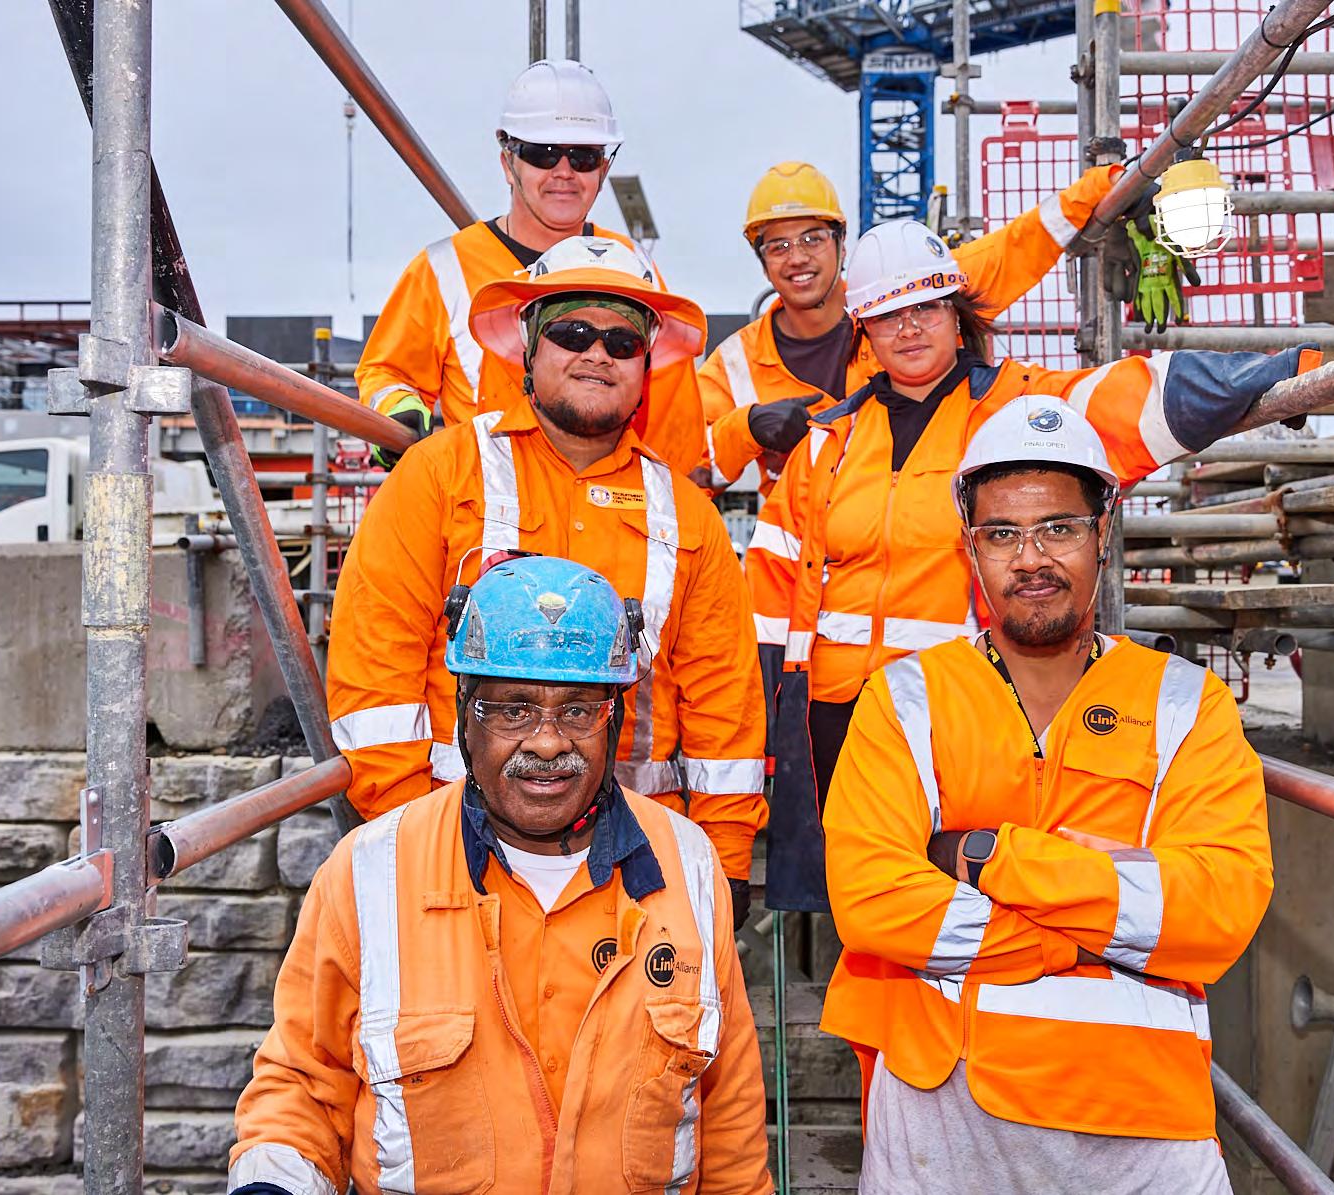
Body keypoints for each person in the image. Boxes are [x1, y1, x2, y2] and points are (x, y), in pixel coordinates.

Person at [746, 217, 1316, 912]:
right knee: (869, 895)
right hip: (837, 717)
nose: (910, 327)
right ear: (863, 327)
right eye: (889, 314)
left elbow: (1133, 397)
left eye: (927, 306)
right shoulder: (826, 443)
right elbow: (769, 596)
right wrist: (765, 737)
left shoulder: (1017, 410)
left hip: (962, 709)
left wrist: (1276, 378)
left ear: (956, 313)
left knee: (973, 890)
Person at [820, 398, 1272, 1193]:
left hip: (1137, 1119)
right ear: (971, 548)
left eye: (1059, 528)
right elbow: (871, 900)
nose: (1031, 558)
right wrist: (1091, 927)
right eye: (1002, 534)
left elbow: (1219, 907)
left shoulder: (1183, 702)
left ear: (1103, 533)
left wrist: (990, 856)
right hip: (942, 1114)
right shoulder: (905, 698)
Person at [231, 557, 773, 1195]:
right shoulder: (371, 870)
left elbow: (728, 1117)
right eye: (513, 710)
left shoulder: (688, 864)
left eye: (578, 711)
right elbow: (302, 1085)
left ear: (615, 719)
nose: (547, 742)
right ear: (465, 717)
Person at [329, 236, 766, 924]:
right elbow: (375, 667)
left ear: (646, 367)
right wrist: (413, 832)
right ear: (529, 352)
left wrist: (725, 857)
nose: (598, 354)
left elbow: (725, 703)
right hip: (458, 844)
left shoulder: (689, 516)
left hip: (635, 866)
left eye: (623, 342)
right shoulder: (439, 476)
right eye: (572, 333)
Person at [698, 160, 1145, 494]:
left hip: (928, 537)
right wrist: (746, 430)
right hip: (809, 556)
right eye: (778, 246)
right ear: (761, 260)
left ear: (840, 243)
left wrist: (1117, 185)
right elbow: (684, 468)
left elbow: (1020, 243)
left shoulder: (906, 292)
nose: (797, 257)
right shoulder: (735, 365)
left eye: (812, 238)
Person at [356, 59, 706, 476]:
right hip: (482, 503)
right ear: (508, 163)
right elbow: (387, 373)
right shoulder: (445, 269)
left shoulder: (632, 266)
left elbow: (670, 414)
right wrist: (397, 410)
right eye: (543, 154)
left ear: (604, 167)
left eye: (583, 157)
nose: (564, 172)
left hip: (604, 502)